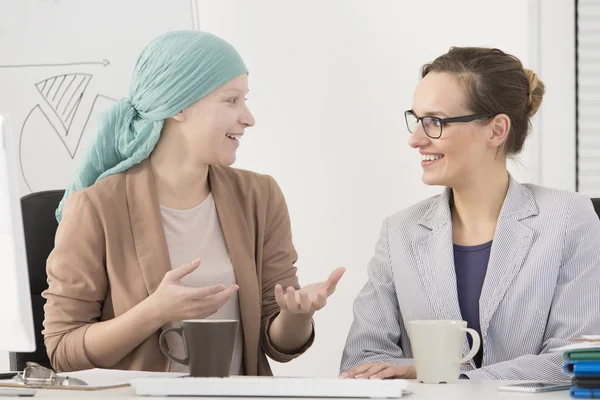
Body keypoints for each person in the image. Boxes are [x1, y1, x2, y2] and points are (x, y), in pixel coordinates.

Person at [42, 30, 345, 374]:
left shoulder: (259, 196)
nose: (248, 118)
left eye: (245, 100)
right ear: (179, 107)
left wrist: (295, 315)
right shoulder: (96, 208)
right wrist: (153, 311)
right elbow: (63, 351)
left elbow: (277, 343)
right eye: (232, 100)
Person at [340, 47, 600, 381]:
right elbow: (360, 361)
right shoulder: (399, 232)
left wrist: (457, 380)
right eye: (417, 120)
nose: (416, 139)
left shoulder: (568, 218)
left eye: (435, 122)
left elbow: (574, 357)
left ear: (496, 130)